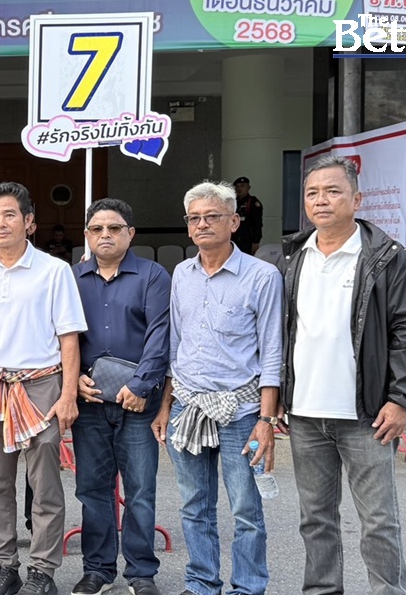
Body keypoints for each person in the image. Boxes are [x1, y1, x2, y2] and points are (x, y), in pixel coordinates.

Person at [277, 155, 406, 594]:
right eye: (312, 193)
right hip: (305, 413)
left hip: (366, 413)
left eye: (333, 191)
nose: (321, 200)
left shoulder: (386, 258)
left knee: (379, 521)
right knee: (315, 519)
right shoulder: (292, 256)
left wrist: (401, 399)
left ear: (357, 199)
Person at [151, 181, 282, 595]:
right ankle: (202, 583)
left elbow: (272, 352)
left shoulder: (262, 276)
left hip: (241, 410)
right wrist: (166, 405)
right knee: (194, 505)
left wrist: (266, 420)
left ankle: (248, 587)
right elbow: (175, 345)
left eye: (212, 216)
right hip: (187, 406)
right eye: (194, 218)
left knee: (245, 508)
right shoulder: (181, 274)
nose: (202, 224)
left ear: (234, 222)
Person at [0, 181, 86, 595]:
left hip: (40, 387)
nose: (1, 223)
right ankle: (3, 567)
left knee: (44, 486)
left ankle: (43, 571)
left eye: (10, 215)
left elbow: (69, 338)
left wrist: (67, 395)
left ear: (29, 221)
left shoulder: (54, 270)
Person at [70, 199, 170, 595]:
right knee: (92, 489)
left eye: (114, 228)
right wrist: (73, 379)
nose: (105, 235)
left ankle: (141, 572)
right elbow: (62, 335)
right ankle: (97, 569)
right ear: (87, 236)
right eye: (97, 229)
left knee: (140, 490)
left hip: (138, 403)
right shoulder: (73, 278)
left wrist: (141, 386)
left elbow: (160, 334)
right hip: (90, 400)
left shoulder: (153, 275)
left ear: (131, 233)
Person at [231, 177, 263, 255]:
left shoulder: (252, 202)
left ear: (248, 188)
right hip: (233, 238)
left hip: (247, 239)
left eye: (242, 186)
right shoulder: (233, 202)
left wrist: (256, 242)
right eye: (237, 186)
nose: (239, 188)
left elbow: (257, 224)